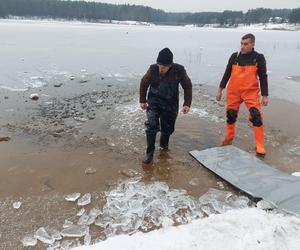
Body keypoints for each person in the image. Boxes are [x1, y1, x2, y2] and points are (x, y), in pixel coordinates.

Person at [216, 33, 268, 155]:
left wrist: (265, 96)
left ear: (252, 44)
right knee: (231, 114)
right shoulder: (235, 57)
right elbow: (227, 73)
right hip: (234, 91)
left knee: (256, 116)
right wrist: (220, 89)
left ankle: (259, 144)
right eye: (241, 43)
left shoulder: (258, 58)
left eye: (245, 44)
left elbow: (263, 77)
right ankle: (229, 136)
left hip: (250, 92)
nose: (242, 46)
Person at [139, 48, 192, 168]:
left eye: (164, 67)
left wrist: (187, 103)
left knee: (167, 129)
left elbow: (187, 86)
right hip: (154, 101)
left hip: (170, 103)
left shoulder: (179, 70)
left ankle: (163, 148)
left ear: (170, 65)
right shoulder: (152, 69)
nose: (160, 69)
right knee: (151, 126)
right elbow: (144, 83)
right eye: (159, 66)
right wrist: (142, 100)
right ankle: (149, 154)